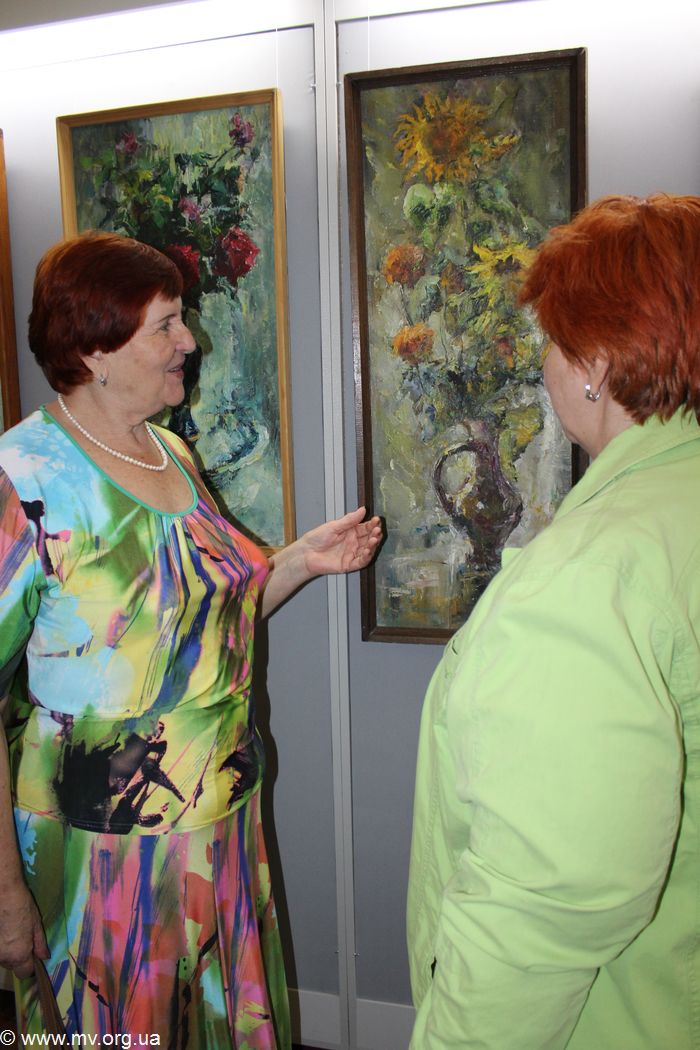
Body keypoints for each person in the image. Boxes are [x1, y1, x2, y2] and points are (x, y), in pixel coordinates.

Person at [0, 230, 381, 1047]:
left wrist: (300, 561)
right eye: (166, 325)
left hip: (218, 826)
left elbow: (203, 625)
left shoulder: (169, 451)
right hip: (106, 860)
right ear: (95, 349)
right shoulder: (23, 478)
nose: (190, 341)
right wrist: (5, 896)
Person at [406, 194, 700, 1049]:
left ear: (594, 362)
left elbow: (540, 908)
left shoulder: (589, 576)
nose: (544, 362)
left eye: (551, 338)